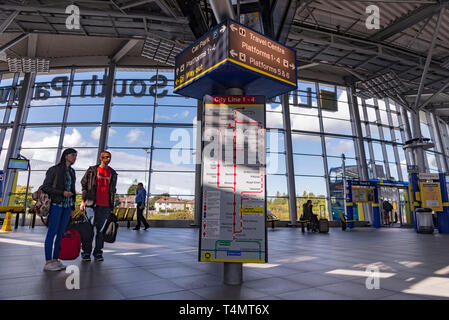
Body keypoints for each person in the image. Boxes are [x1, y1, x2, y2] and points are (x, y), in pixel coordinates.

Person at [42, 148, 77, 271]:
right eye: (73, 155)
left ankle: (55, 259)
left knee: (61, 233)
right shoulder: (54, 170)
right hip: (57, 204)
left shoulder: (72, 172)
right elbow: (45, 187)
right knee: (52, 232)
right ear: (66, 156)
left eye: (75, 156)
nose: (75, 157)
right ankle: (48, 261)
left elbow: (73, 189)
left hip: (67, 206)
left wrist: (72, 207)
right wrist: (62, 193)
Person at [80, 151, 118, 262]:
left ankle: (98, 253)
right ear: (101, 158)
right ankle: (86, 253)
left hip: (105, 206)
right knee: (89, 231)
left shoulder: (113, 173)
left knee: (101, 232)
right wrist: (83, 201)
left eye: (110, 157)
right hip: (91, 205)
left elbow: (113, 191)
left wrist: (112, 205)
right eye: (106, 157)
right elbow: (84, 187)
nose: (108, 159)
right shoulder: (92, 170)